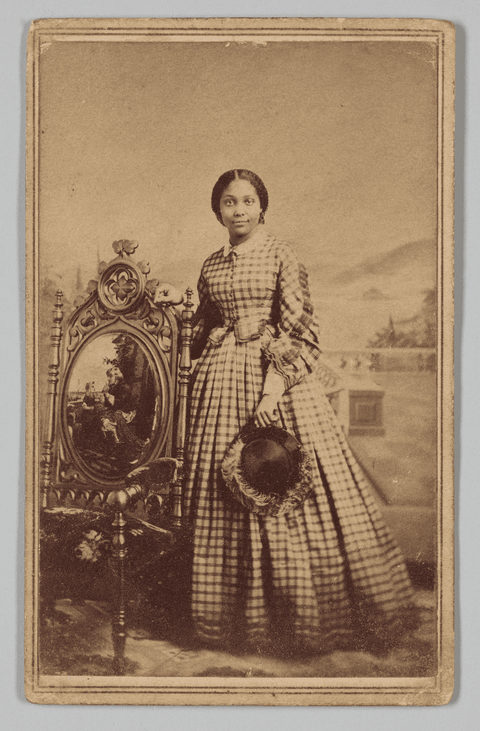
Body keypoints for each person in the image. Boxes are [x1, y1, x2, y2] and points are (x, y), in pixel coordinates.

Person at [154, 169, 416, 655]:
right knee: (218, 488)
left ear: (262, 207)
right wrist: (178, 304)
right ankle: (221, 619)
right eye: (229, 202)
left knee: (279, 475)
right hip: (219, 384)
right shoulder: (212, 264)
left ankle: (300, 620)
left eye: (248, 201)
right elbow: (204, 323)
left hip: (277, 384)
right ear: (218, 211)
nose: (239, 210)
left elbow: (298, 331)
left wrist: (273, 391)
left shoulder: (280, 255)